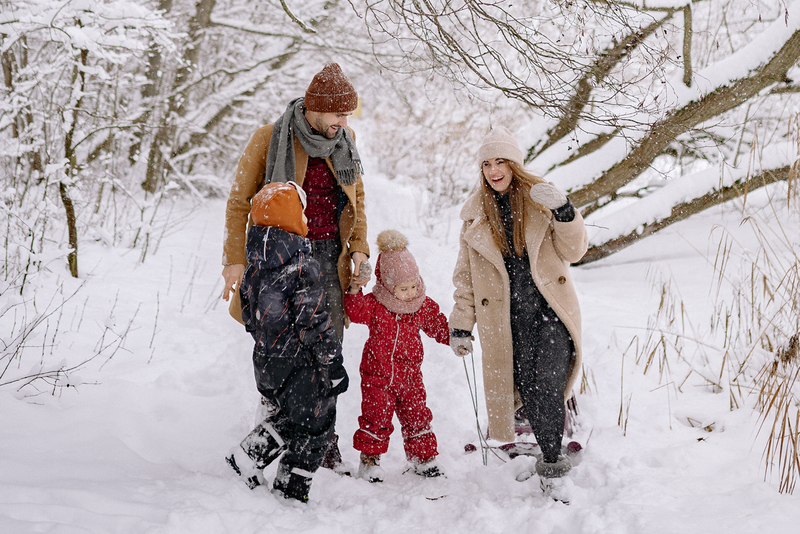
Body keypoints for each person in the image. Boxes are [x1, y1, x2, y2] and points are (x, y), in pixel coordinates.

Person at [221, 63, 370, 472]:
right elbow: (239, 202)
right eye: (338, 114)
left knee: (326, 351)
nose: (344, 122)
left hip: (331, 259)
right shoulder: (270, 139)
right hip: (280, 258)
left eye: (347, 115)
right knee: (282, 352)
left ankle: (323, 442)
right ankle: (274, 427)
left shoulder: (346, 140)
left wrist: (359, 249)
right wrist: (234, 260)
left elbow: (357, 201)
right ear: (316, 110)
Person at [448, 126, 587, 502]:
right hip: (510, 323)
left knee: (544, 386)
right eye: (487, 164)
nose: (494, 170)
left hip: (551, 312)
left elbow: (574, 251)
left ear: (514, 165)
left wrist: (564, 211)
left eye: (501, 162)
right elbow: (466, 279)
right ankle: (549, 435)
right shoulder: (475, 217)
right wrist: (461, 325)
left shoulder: (541, 200)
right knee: (529, 391)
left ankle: (554, 469)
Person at [225, 182, 349, 504]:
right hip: (300, 364)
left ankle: (248, 456)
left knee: (292, 417)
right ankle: (291, 492)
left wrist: (269, 340)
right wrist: (332, 362)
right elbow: (314, 321)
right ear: (295, 220)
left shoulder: (255, 264)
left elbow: (249, 315)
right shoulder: (300, 266)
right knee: (316, 425)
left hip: (266, 361)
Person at [344, 230, 451, 482]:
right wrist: (355, 288)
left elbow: (437, 323)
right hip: (378, 376)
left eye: (414, 285)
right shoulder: (376, 304)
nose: (411, 292)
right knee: (375, 418)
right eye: (404, 288)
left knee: (418, 415)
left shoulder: (421, 304)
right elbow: (355, 310)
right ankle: (369, 462)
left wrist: (455, 336)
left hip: (411, 376)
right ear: (389, 286)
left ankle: (422, 458)